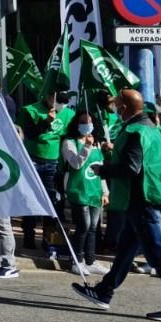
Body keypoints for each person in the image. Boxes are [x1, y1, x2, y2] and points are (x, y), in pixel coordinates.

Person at [73, 89, 161, 322]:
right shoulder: (152, 129)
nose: (115, 109)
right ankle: (104, 291)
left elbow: (131, 167)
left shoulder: (134, 132)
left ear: (124, 108)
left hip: (142, 199)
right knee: (126, 249)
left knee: (157, 252)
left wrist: (103, 169)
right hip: (153, 194)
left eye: (117, 105)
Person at [18, 92, 70, 259]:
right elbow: (28, 133)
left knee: (51, 200)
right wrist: (45, 121)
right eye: (58, 100)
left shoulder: (68, 114)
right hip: (32, 159)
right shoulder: (31, 110)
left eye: (64, 101)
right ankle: (28, 235)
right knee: (30, 199)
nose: (61, 104)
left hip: (53, 161)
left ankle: (49, 239)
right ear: (49, 96)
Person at [60, 110, 106, 277]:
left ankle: (90, 261)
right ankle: (76, 261)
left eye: (90, 122)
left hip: (94, 190)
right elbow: (76, 164)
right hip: (79, 189)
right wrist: (86, 147)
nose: (87, 125)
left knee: (93, 228)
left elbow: (100, 169)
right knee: (83, 226)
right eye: (83, 122)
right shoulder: (69, 142)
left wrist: (105, 191)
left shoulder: (97, 143)